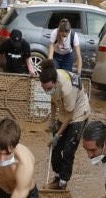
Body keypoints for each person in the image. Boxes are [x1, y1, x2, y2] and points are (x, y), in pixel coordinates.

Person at [39, 62, 91, 190]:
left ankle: (63, 182)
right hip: (64, 111)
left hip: (78, 113)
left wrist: (57, 135)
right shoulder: (49, 82)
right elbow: (53, 102)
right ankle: (57, 177)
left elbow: (70, 115)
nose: (47, 90)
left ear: (55, 83)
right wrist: (52, 121)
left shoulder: (66, 88)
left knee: (68, 149)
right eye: (44, 88)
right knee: (55, 147)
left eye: (49, 88)